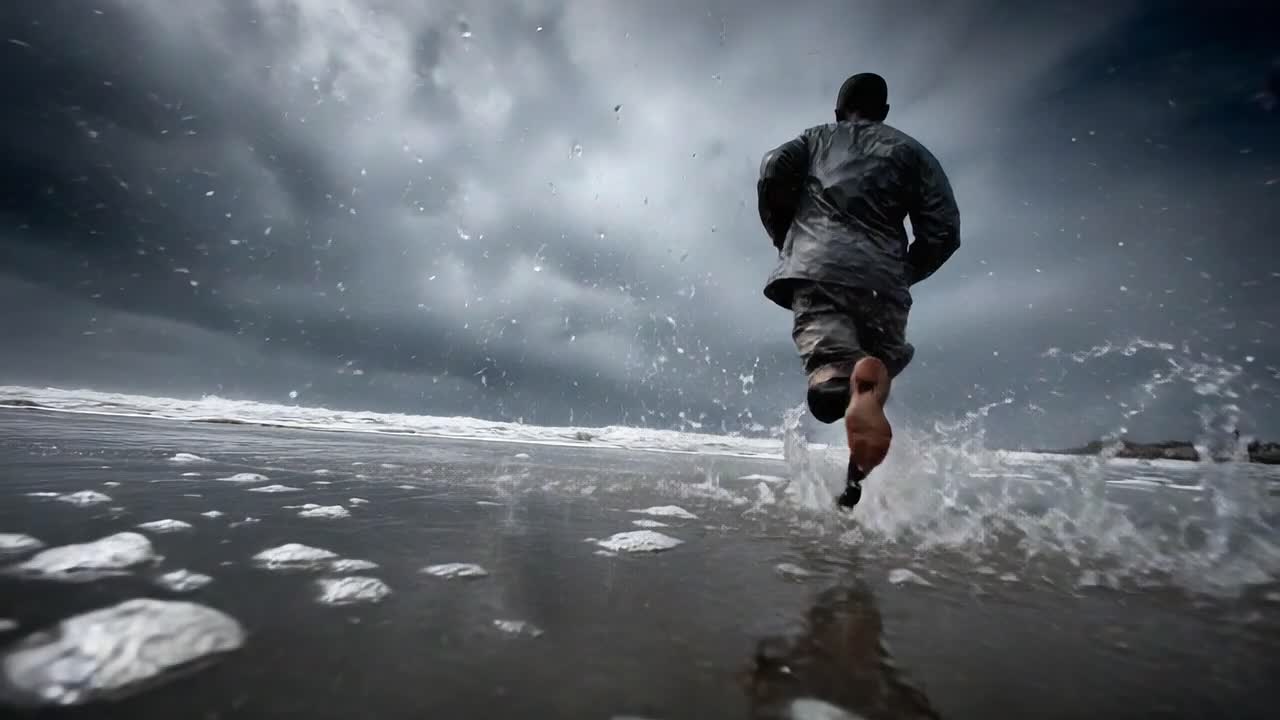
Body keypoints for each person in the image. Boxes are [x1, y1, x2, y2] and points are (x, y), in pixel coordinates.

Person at [757, 72, 961, 508]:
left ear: (837, 111)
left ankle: (845, 388)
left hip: (821, 269)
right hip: (885, 284)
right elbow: (944, 231)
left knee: (829, 383)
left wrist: (786, 238)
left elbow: (773, 168)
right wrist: (902, 273)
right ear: (884, 113)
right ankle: (851, 490)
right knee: (873, 385)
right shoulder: (913, 153)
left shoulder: (815, 139)